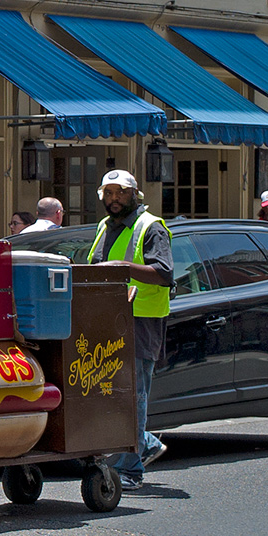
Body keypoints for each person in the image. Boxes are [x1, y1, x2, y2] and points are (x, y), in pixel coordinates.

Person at [87, 169, 173, 492]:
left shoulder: (151, 228)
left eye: (120, 193)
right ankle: (145, 442)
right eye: (108, 194)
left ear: (134, 195)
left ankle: (130, 470)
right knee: (114, 393)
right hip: (110, 321)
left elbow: (164, 273)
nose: (113, 199)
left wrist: (122, 269)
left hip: (142, 321)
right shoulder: (103, 227)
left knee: (132, 396)